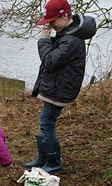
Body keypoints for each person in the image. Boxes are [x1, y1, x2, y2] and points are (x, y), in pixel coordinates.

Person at [25, 0, 97, 174]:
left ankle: (54, 162)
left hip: (60, 91)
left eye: (53, 21)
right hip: (57, 88)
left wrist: (43, 40)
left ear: (65, 15)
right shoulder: (68, 34)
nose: (51, 25)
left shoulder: (71, 40)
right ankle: (43, 158)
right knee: (45, 122)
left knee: (47, 124)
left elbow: (49, 61)